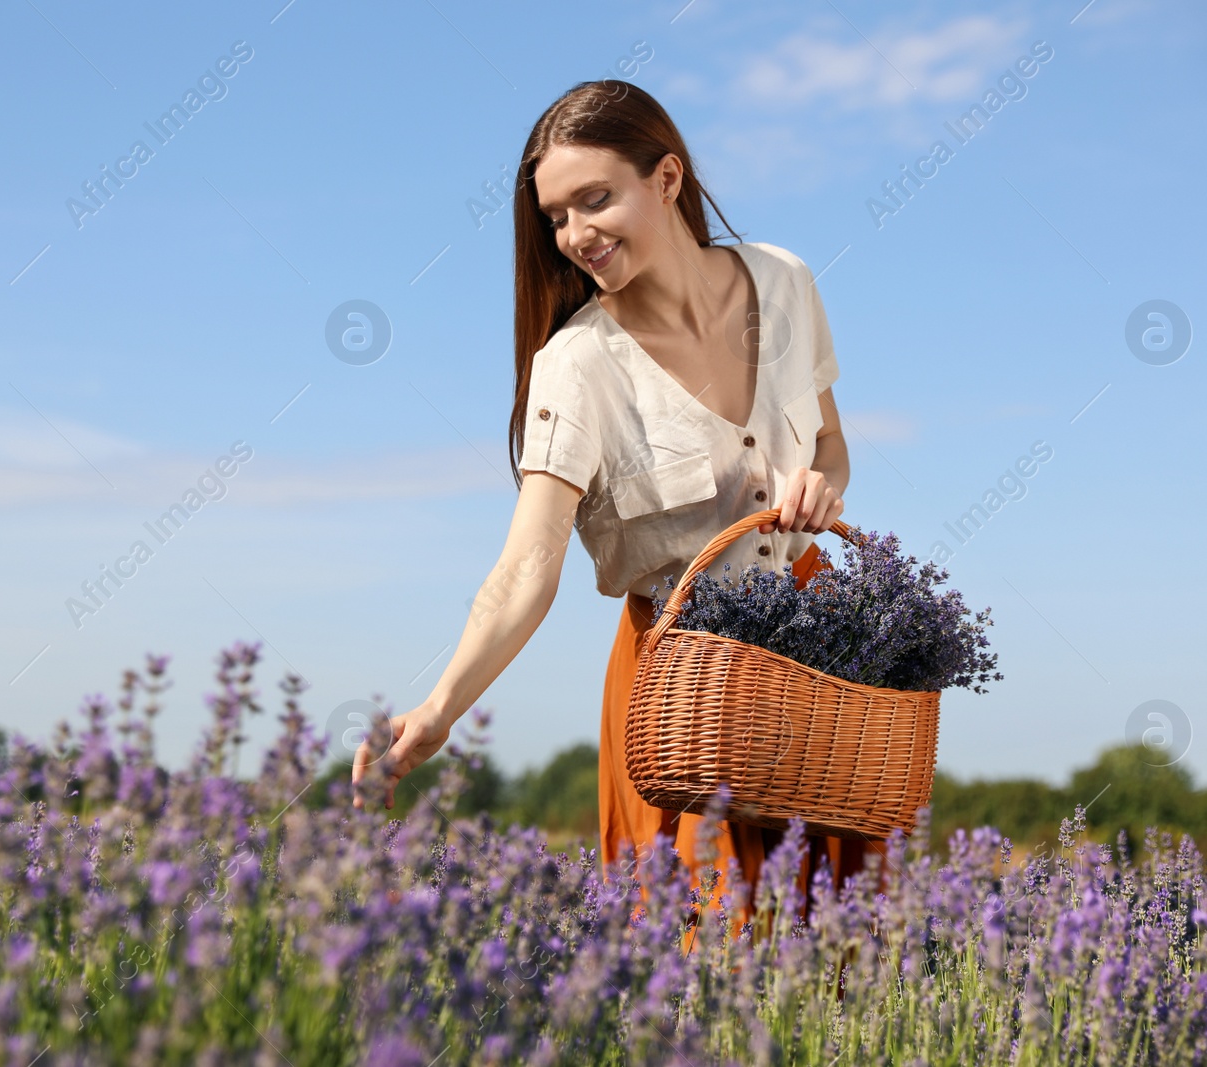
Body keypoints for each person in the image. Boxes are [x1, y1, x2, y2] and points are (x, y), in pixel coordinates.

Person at [352, 78, 885, 933]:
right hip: (678, 680)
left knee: (842, 950)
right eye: (557, 216)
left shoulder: (784, 282)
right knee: (696, 954)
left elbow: (830, 445)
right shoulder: (577, 366)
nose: (574, 235)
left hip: (819, 667)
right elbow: (529, 563)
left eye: (594, 199)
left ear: (667, 178)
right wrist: (440, 705)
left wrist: (821, 485)